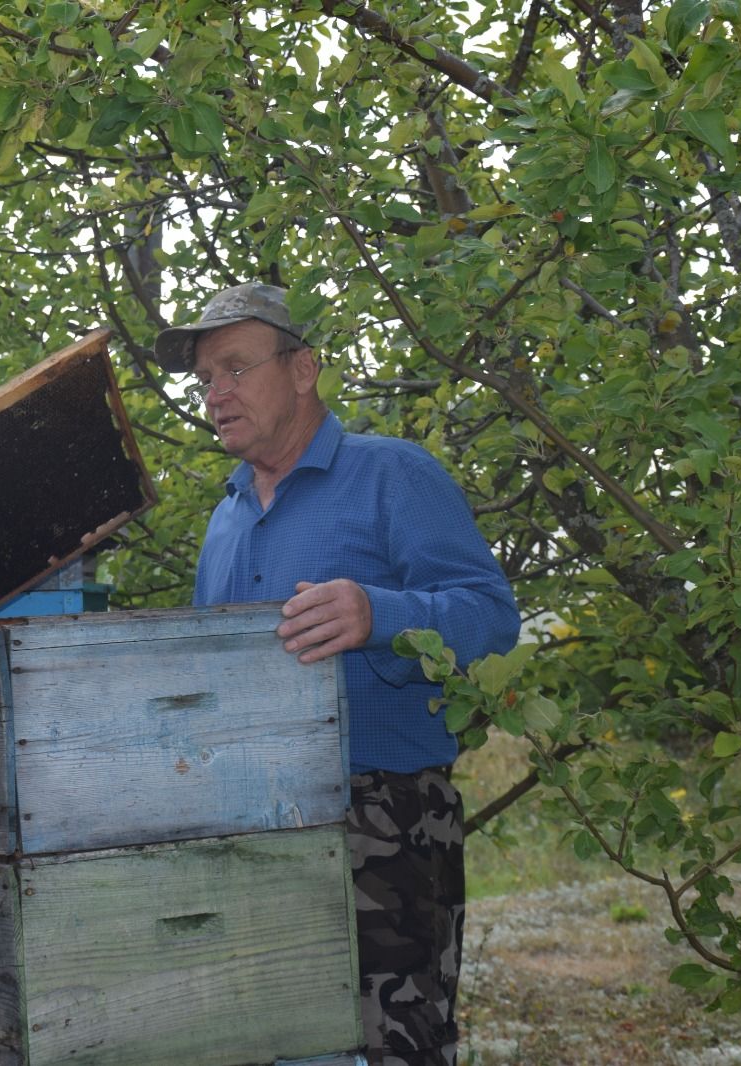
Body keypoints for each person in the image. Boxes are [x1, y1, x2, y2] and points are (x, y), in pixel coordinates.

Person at [156, 282, 520, 1066]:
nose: (215, 394)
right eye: (203, 380)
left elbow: (491, 617)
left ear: (303, 369)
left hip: (382, 820)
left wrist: (378, 613)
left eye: (234, 369)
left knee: (392, 1051)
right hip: (247, 826)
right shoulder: (225, 515)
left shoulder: (391, 473)